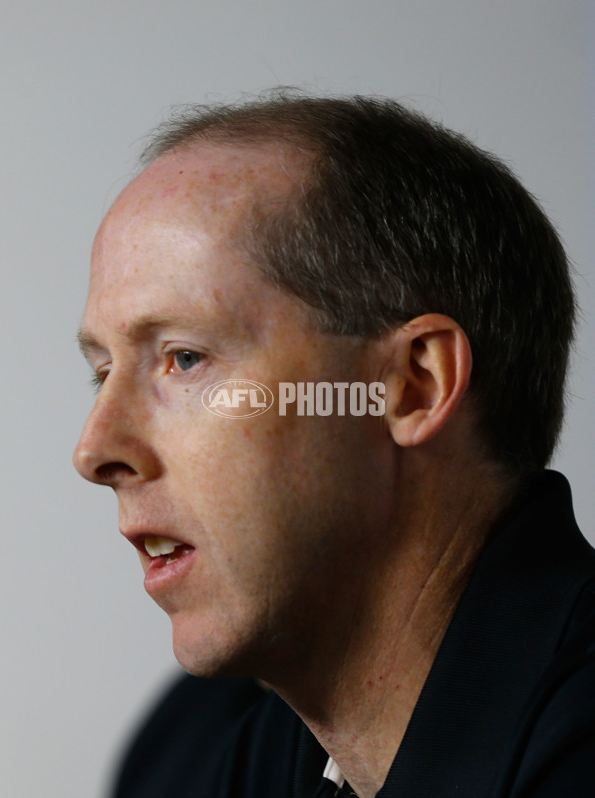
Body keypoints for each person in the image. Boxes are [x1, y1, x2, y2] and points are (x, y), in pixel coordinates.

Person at [73, 93, 595, 797]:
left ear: (412, 384)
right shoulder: (219, 751)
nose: (95, 450)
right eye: (102, 372)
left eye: (185, 358)